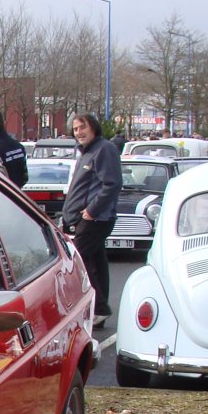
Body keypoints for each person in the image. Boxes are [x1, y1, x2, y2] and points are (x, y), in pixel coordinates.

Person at [60, 112, 122, 327]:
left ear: (93, 127)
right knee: (95, 263)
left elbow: (112, 184)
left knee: (78, 261)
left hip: (96, 219)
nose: (79, 133)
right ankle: (99, 310)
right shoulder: (86, 153)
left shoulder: (104, 149)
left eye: (82, 127)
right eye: (75, 129)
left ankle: (100, 308)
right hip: (80, 217)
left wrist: (93, 210)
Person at [0, 107, 29, 187]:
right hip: (17, 195)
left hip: (1, 195)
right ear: (4, 123)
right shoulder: (19, 146)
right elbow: (25, 177)